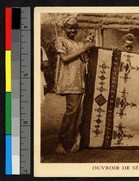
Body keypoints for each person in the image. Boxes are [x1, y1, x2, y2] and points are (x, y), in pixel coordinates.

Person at [54, 17, 95, 154]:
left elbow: (84, 59)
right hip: (69, 81)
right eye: (69, 27)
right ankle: (60, 143)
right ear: (63, 29)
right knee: (72, 111)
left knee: (78, 111)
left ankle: (74, 141)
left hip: (79, 81)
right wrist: (84, 48)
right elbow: (65, 59)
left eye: (75, 27)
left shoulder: (77, 43)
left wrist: (86, 45)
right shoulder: (61, 41)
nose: (72, 30)